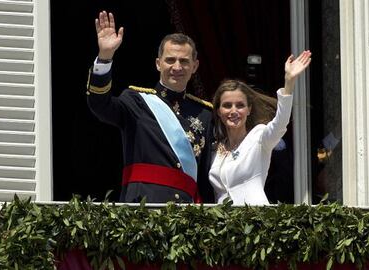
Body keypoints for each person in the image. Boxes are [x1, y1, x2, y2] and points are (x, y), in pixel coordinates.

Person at [86, 11, 215, 203]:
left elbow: (206, 176)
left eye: (184, 61)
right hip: (143, 208)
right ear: (158, 64)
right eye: (170, 60)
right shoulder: (136, 101)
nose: (177, 67)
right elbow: (100, 105)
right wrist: (105, 57)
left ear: (195, 66)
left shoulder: (205, 113)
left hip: (187, 214)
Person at [209, 51, 312, 205]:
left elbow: (280, 123)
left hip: (254, 220)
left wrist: (289, 83)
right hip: (222, 223)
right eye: (227, 105)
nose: (234, 111)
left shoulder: (259, 136)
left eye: (240, 105)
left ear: (249, 110)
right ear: (218, 111)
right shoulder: (216, 148)